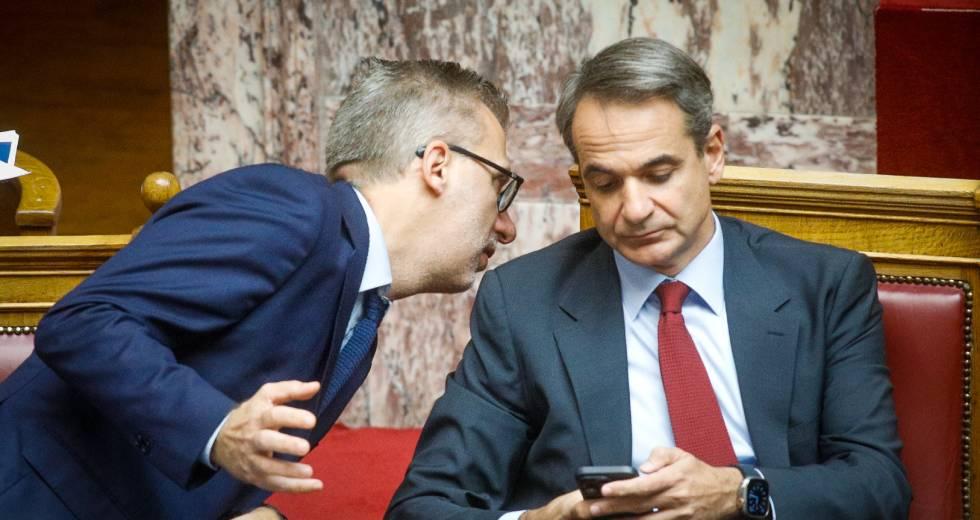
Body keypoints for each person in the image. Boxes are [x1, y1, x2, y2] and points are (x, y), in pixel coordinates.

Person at [387, 38, 910, 519]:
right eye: (606, 183)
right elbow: (424, 506)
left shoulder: (824, 285)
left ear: (712, 154)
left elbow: (879, 485)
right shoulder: (524, 303)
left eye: (659, 175)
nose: (635, 209)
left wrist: (740, 493)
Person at [0, 58, 520, 519]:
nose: (506, 227)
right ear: (437, 165)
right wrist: (218, 428)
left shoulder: (361, 320)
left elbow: (218, 465)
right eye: (500, 188)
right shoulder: (292, 207)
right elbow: (82, 321)